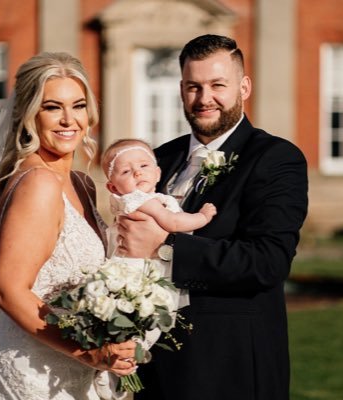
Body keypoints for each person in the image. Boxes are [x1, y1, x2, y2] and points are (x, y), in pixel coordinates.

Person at [117, 34, 309, 400]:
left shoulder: (275, 158)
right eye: (194, 87)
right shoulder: (159, 158)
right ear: (181, 90)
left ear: (244, 86)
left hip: (228, 368)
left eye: (217, 85)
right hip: (153, 369)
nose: (205, 99)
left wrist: (166, 247)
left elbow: (268, 262)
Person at [0, 52, 136, 400]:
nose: (69, 119)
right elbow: (9, 291)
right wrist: (89, 351)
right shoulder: (39, 183)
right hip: (33, 370)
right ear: (28, 114)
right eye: (52, 107)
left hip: (75, 370)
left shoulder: (82, 183)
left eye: (78, 106)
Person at [101, 138, 217, 257]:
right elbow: (173, 222)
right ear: (113, 188)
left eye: (143, 165)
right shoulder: (141, 201)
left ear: (157, 174)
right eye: (125, 171)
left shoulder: (137, 201)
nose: (137, 172)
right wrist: (202, 217)